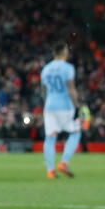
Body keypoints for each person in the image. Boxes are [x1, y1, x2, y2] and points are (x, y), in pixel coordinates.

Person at [40, 42, 80, 179]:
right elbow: (71, 88)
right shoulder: (68, 68)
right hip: (65, 105)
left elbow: (43, 90)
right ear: (65, 53)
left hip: (50, 105)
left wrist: (46, 104)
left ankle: (50, 170)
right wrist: (77, 105)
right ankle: (64, 162)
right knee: (75, 133)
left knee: (50, 137)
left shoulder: (45, 69)